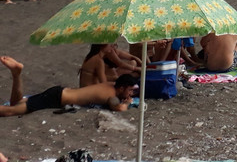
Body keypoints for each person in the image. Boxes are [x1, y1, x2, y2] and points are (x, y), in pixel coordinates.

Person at [0, 57, 137, 116]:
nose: (130, 94)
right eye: (129, 90)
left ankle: (16, 74)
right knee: (10, 111)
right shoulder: (111, 96)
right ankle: (17, 73)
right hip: (56, 99)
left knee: (15, 103)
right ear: (121, 88)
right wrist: (127, 103)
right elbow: (119, 109)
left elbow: (119, 79)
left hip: (58, 92)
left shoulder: (111, 84)